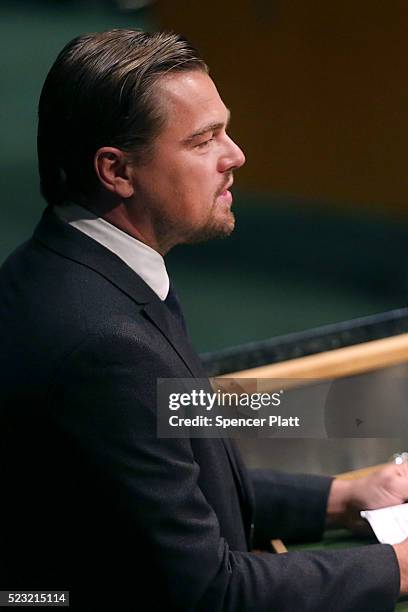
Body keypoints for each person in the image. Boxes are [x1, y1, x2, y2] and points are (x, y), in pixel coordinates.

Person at [0, 28, 408, 611]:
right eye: (203, 140)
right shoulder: (104, 344)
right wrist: (395, 567)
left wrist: (345, 495)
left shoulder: (82, 269)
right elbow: (210, 592)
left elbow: (178, 481)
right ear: (116, 171)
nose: (235, 155)